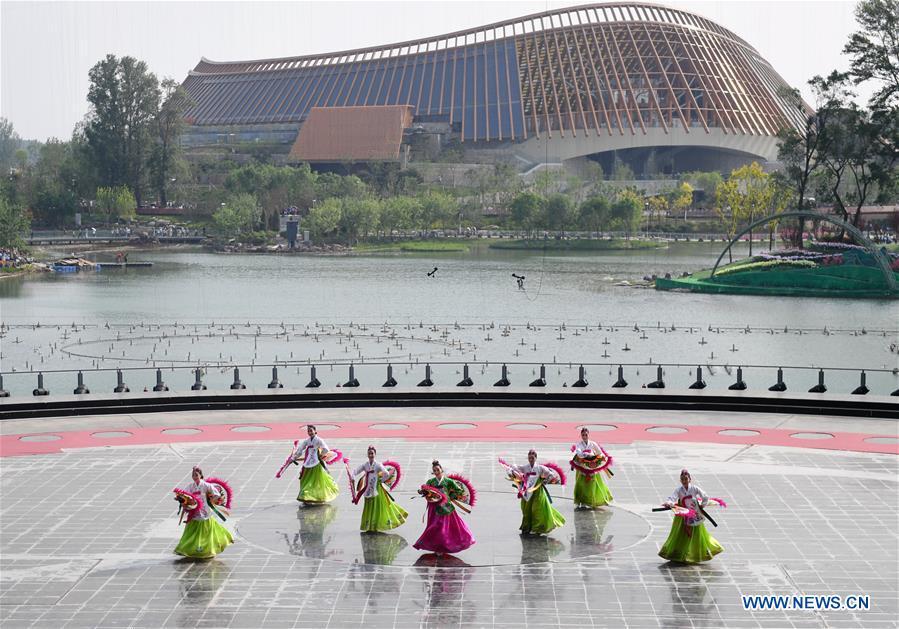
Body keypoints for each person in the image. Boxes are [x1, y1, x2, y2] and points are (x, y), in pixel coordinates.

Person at [658, 469, 724, 563]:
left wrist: (702, 505)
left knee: (696, 535)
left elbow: (705, 496)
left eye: (686, 479)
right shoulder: (679, 490)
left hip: (694, 514)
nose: (684, 481)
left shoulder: (694, 489)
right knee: (680, 534)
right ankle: (681, 553)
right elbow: (672, 498)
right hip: (683, 515)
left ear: (690, 479)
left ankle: (694, 554)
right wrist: (669, 503)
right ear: (680, 480)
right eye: (682, 479)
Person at [413, 460, 475, 555]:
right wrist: (427, 495)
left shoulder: (448, 481)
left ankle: (444, 545)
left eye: (438, 469)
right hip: (434, 508)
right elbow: (426, 493)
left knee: (448, 528)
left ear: (441, 469)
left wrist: (451, 497)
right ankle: (437, 546)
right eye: (434, 470)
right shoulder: (430, 482)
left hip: (447, 507)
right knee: (434, 527)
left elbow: (459, 490)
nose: (436, 472)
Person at [173, 466, 234, 558]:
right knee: (193, 531)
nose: (195, 476)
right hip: (195, 510)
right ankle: (191, 548)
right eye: (193, 475)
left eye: (196, 475)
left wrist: (212, 498)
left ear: (200, 475)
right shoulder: (191, 486)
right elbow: (184, 494)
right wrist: (182, 499)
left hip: (205, 509)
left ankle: (207, 549)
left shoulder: (206, 485)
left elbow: (216, 494)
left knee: (207, 531)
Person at [351, 446, 408, 532]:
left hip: (376, 489)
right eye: (369, 453)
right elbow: (356, 471)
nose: (371, 455)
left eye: (372, 453)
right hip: (367, 490)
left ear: (375, 454)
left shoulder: (378, 465)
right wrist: (352, 477)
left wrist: (381, 480)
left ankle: (376, 525)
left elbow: (387, 473)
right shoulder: (365, 465)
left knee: (377, 507)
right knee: (369, 507)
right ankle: (370, 526)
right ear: (367, 454)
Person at [512, 450, 566, 535]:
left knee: (536, 509)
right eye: (529, 457)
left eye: (533, 457)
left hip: (538, 492)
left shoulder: (540, 468)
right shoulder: (525, 467)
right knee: (527, 510)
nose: (531, 458)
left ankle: (537, 528)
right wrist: (513, 473)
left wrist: (545, 480)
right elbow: (514, 468)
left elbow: (550, 474)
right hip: (527, 493)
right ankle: (527, 527)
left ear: (536, 458)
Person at [293, 425, 340, 504]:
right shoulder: (307, 441)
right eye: (308, 431)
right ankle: (306, 495)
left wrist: (320, 455)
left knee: (318, 480)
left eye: (311, 430)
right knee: (305, 478)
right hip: (307, 463)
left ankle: (316, 495)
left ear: (315, 431)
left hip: (316, 462)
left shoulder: (319, 440)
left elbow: (326, 449)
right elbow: (300, 449)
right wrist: (294, 457)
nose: (310, 432)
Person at [571, 427, 614, 508]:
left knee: (596, 484)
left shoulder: (593, 443)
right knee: (582, 485)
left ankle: (602, 499)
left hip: (592, 466)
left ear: (588, 434)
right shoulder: (579, 444)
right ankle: (582, 501)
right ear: (581, 435)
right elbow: (579, 453)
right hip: (583, 467)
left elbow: (601, 453)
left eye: (586, 435)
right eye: (583, 435)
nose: (584, 436)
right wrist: (587, 454)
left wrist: (596, 457)